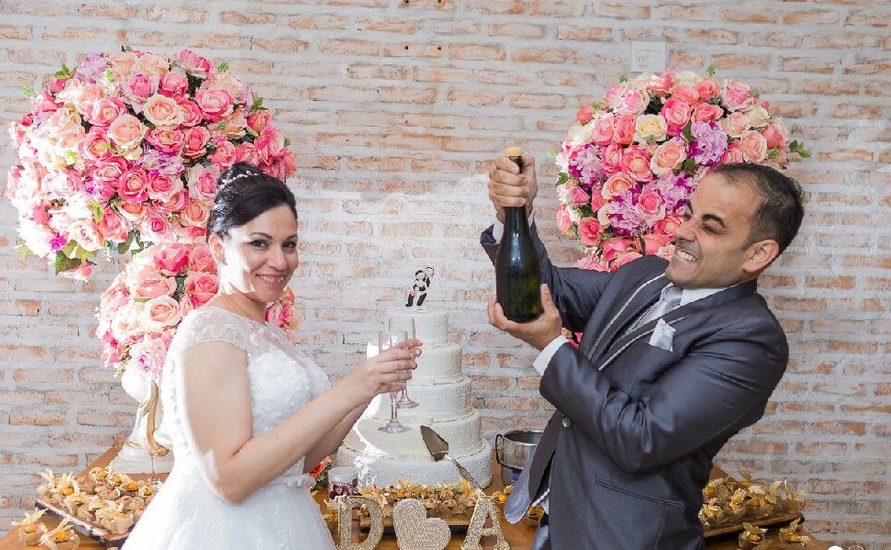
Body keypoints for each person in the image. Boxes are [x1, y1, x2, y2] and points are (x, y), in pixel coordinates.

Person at [482, 154, 804, 550]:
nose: (684, 232)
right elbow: (546, 293)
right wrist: (515, 216)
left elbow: (640, 439)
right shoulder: (646, 275)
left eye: (711, 227)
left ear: (758, 254)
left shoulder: (751, 341)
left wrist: (551, 347)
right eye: (689, 214)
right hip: (564, 521)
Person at [123, 163, 419, 549]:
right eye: (259, 243)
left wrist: (370, 388)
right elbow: (228, 480)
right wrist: (350, 387)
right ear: (218, 247)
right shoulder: (211, 331)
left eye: (289, 244)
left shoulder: (266, 333)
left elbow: (302, 455)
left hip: (286, 521)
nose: (279, 262)